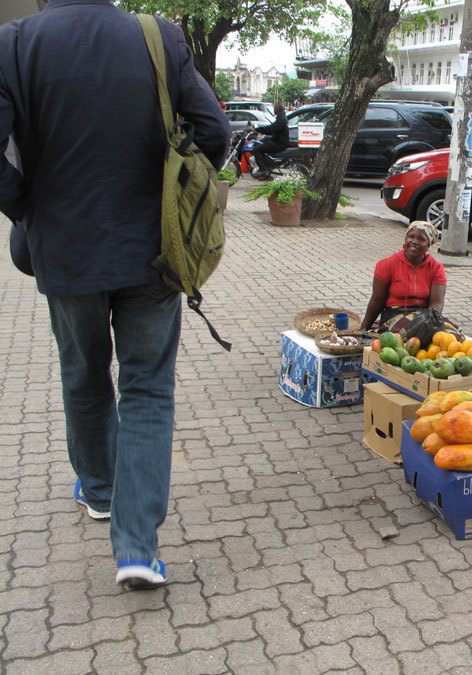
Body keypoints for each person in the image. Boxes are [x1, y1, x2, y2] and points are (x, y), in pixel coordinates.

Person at [0, 0, 230, 590]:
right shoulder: (157, 36)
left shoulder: (15, 43)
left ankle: (99, 491)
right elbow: (213, 130)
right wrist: (179, 190)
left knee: (82, 373)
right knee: (148, 387)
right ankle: (136, 547)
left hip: (64, 250)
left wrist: (25, 205)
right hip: (153, 249)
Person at [361, 221, 447, 331]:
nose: (414, 242)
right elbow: (376, 301)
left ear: (428, 245)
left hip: (425, 316)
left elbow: (437, 303)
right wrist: (363, 328)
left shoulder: (436, 268)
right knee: (406, 335)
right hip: (394, 315)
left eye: (421, 239)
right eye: (411, 236)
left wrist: (429, 323)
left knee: (452, 335)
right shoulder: (388, 264)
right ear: (405, 239)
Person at [252, 103, 290, 179]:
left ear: (278, 109)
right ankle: (267, 168)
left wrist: (257, 130)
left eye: (275, 108)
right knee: (263, 144)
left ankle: (263, 170)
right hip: (278, 141)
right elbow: (272, 128)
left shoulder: (281, 119)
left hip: (279, 143)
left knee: (256, 149)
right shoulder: (281, 118)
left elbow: (271, 129)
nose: (274, 109)